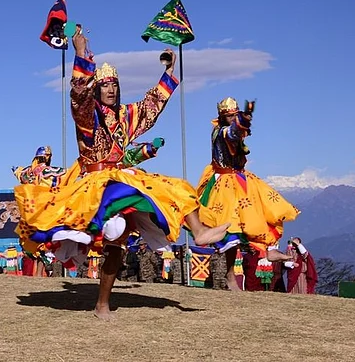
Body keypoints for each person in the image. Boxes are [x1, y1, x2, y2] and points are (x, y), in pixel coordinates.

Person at [15, 28, 229, 320]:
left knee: (177, 188)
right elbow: (78, 97)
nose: (111, 90)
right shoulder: (89, 116)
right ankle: (101, 301)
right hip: (93, 181)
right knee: (114, 230)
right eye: (105, 86)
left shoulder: (127, 115)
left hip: (121, 177)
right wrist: (80, 55)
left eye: (114, 85)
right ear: (97, 89)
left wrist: (170, 71)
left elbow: (151, 106)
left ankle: (200, 232)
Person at [195, 97, 300, 291]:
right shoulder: (221, 132)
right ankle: (230, 276)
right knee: (232, 226)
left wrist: (244, 119)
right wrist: (245, 118)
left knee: (267, 210)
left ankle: (271, 249)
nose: (232, 118)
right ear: (222, 116)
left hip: (241, 180)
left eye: (235, 115)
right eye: (230, 115)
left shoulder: (232, 130)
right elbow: (233, 133)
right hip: (224, 184)